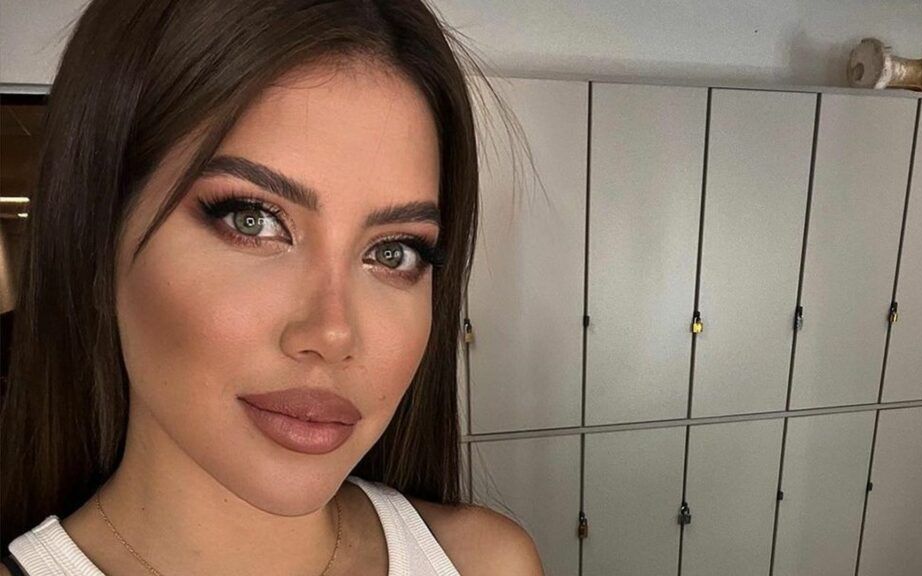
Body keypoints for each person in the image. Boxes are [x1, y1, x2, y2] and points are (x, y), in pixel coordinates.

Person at [0, 0, 543, 574]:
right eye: (252, 220)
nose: (333, 334)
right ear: (98, 230)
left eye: (394, 252)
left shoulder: (486, 563)